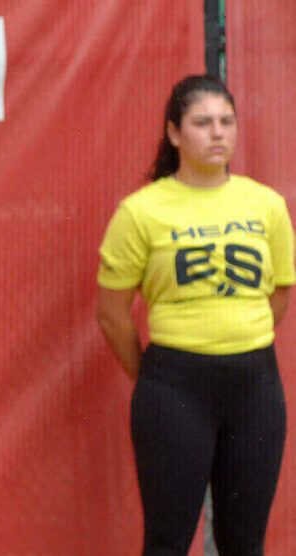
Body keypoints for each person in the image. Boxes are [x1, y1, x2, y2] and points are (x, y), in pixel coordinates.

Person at [96, 74, 294, 556]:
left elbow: (281, 290)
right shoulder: (141, 211)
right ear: (174, 133)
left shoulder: (266, 205)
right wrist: (156, 377)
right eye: (202, 122)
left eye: (226, 121)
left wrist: (241, 337)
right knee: (167, 541)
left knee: (244, 543)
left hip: (255, 386)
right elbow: (111, 312)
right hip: (173, 387)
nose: (217, 132)